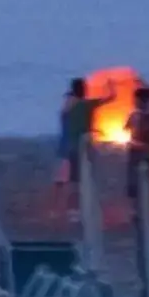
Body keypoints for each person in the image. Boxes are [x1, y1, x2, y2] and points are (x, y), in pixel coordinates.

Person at [54, 78, 96, 218]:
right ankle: (71, 207)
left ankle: (65, 202)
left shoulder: (71, 101)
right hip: (73, 142)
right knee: (73, 176)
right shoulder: (76, 103)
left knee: (67, 170)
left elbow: (63, 117)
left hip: (69, 140)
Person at [125, 86, 149, 204]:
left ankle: (136, 204)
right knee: (147, 177)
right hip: (147, 149)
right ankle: (146, 201)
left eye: (135, 100)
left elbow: (126, 129)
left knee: (134, 177)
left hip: (137, 148)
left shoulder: (135, 115)